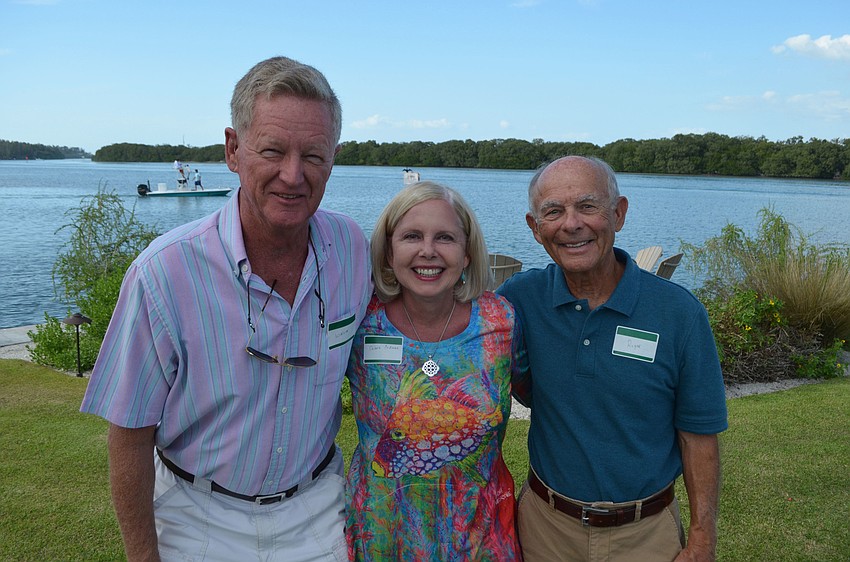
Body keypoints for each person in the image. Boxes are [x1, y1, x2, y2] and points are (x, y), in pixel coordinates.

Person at [80, 56, 372, 562]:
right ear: (233, 150)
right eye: (273, 151)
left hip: (317, 513)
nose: (293, 174)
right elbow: (128, 436)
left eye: (314, 155)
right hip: (196, 518)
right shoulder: (163, 273)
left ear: (334, 158)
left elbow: (416, 317)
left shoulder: (352, 249)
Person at [497, 156, 728, 561]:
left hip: (647, 535)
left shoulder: (679, 313)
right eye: (553, 211)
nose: (571, 224)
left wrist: (702, 538)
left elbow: (699, 435)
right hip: (544, 531)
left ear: (618, 213)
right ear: (535, 229)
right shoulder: (520, 300)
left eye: (588, 206)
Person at [345, 181, 522, 561]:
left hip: (479, 540)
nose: (428, 251)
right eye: (411, 236)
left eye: (445, 237)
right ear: (389, 253)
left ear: (467, 253)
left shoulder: (501, 323)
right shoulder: (360, 321)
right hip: (381, 537)